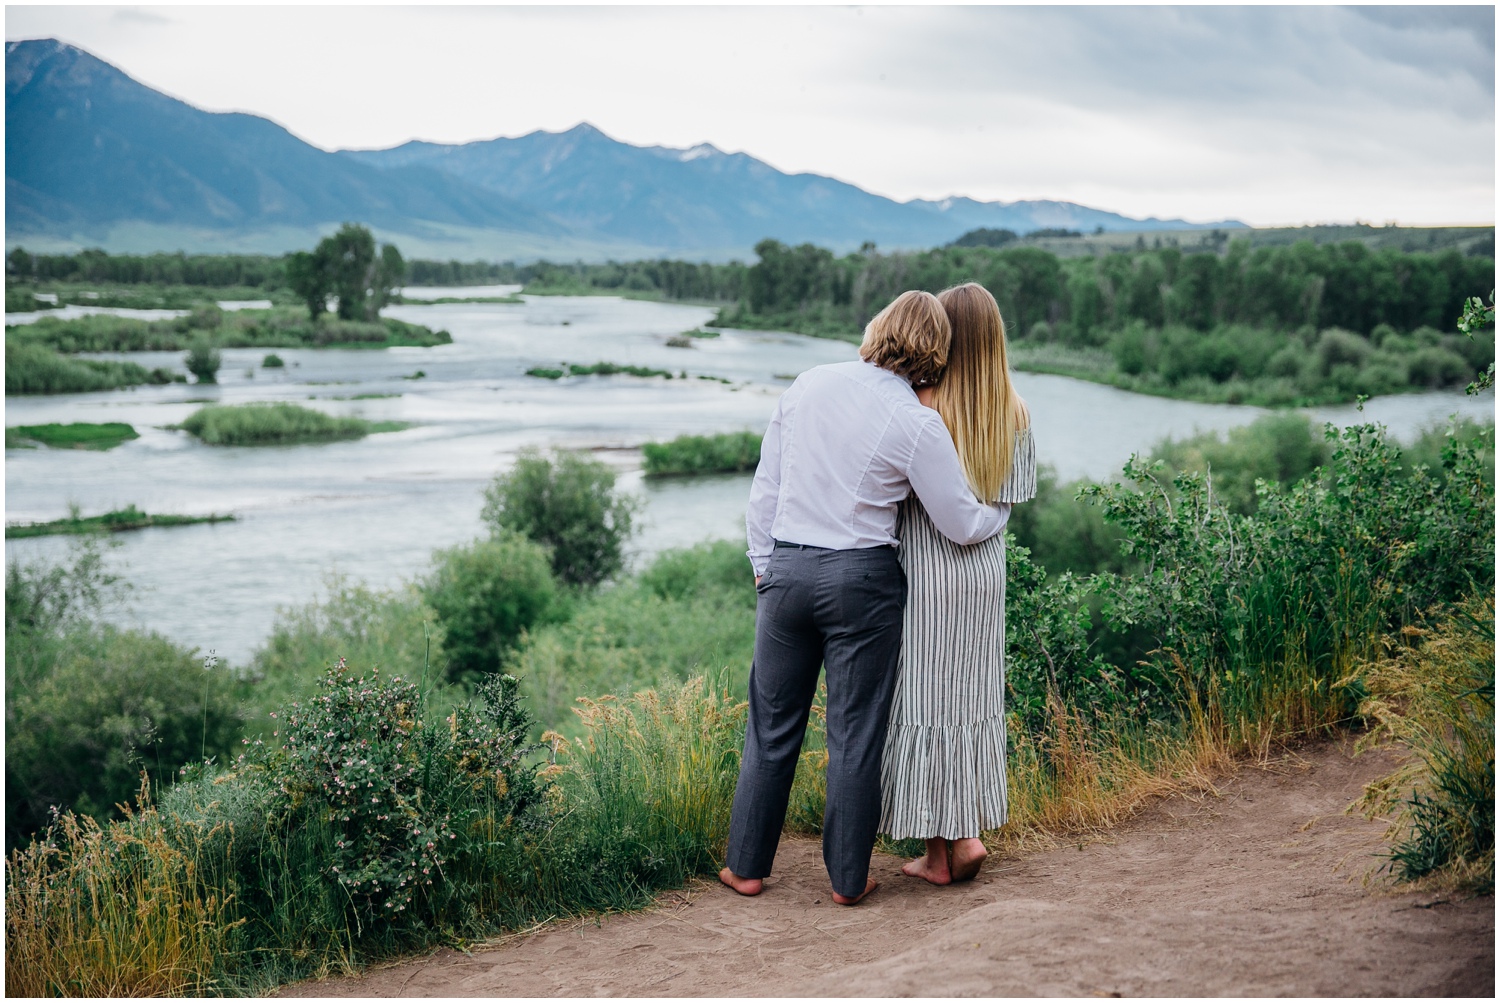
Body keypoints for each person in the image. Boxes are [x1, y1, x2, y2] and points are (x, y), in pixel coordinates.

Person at [720, 289, 1010, 906]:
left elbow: (765, 485)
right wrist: (999, 515)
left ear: (877, 328)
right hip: (862, 583)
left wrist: (762, 565)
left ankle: (745, 868)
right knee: (854, 733)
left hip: (789, 572)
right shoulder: (916, 420)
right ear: (937, 353)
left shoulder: (807, 383)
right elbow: (959, 522)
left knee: (771, 726)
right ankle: (848, 882)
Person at [879, 282, 1036, 885]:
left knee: (923, 700)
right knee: (970, 698)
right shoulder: (1016, 412)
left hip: (924, 570)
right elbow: (1010, 499)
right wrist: (991, 516)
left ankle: (943, 849)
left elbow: (893, 500)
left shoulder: (921, 405)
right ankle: (957, 842)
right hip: (982, 575)